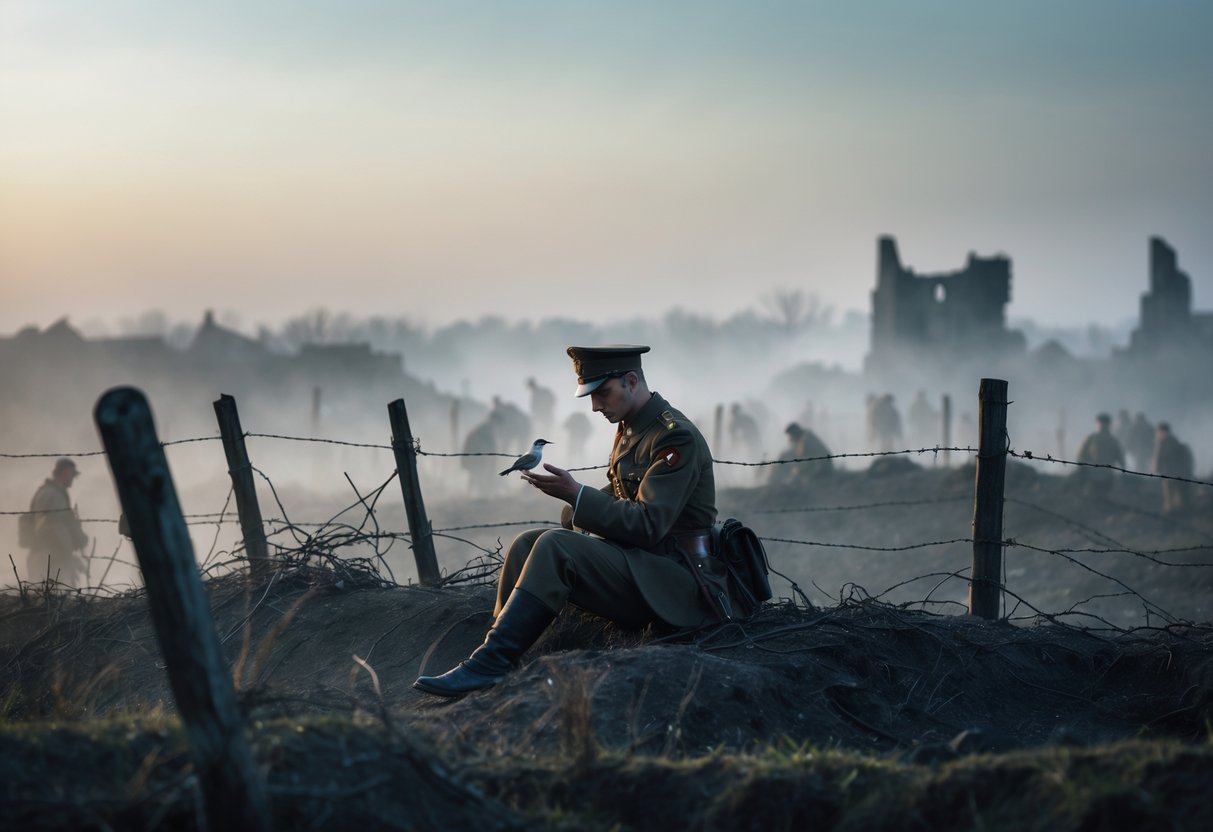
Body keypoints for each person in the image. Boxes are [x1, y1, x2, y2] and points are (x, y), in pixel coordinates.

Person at [414, 345, 720, 697]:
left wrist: (576, 495)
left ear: (631, 381)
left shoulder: (672, 435)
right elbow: (628, 494)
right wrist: (574, 505)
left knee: (555, 546)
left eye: (602, 393)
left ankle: (488, 665)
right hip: (643, 565)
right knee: (528, 543)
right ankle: (494, 653)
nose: (594, 406)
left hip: (675, 581)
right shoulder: (634, 429)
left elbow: (649, 524)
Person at [24, 457, 89, 585]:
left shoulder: (46, 492)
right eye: (71, 474)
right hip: (52, 560)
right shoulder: (54, 495)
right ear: (64, 472)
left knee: (42, 600)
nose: (73, 479)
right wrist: (75, 542)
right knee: (58, 599)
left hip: (42, 557)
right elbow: (52, 528)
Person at [1074, 412, 1125, 498]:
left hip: (1107, 475)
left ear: (1108, 425)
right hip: (1092, 474)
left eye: (1105, 423)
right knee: (1091, 496)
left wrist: (1123, 469)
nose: (1102, 425)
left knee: (1104, 496)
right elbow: (1081, 454)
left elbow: (1120, 456)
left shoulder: (1113, 440)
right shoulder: (1092, 438)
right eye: (1100, 423)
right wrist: (1082, 467)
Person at [769, 422, 833, 487]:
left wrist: (797, 470)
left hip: (822, 468)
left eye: (790, 436)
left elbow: (805, 459)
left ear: (794, 434)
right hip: (820, 466)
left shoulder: (805, 439)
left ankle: (776, 483)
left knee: (797, 476)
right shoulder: (805, 437)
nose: (789, 439)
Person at [1152, 422, 1195, 514]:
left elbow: (1158, 458)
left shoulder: (1162, 443)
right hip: (1180, 473)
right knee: (1179, 495)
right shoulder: (1175, 441)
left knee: (1169, 496)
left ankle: (1170, 514)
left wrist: (1156, 469)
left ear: (1162, 431)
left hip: (1169, 474)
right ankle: (1181, 512)